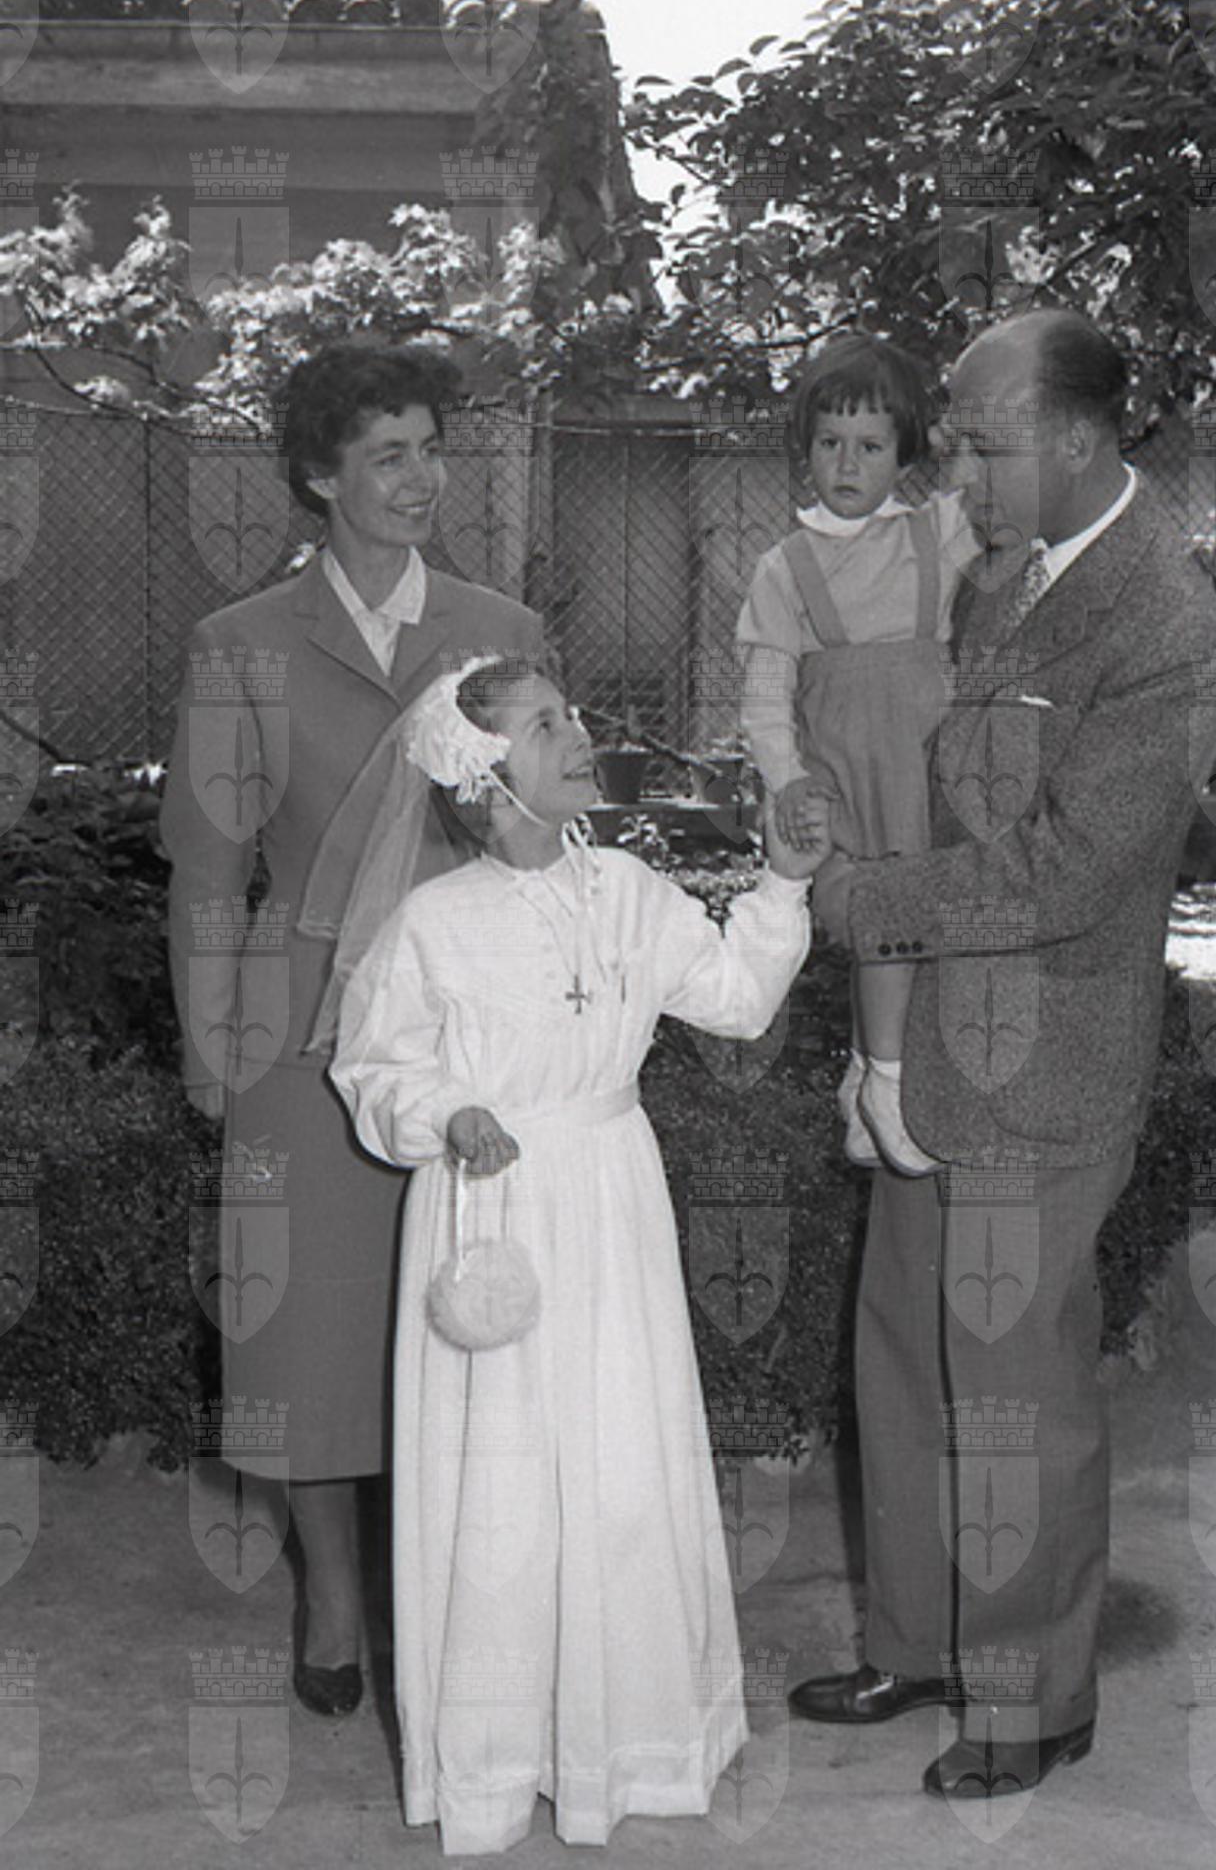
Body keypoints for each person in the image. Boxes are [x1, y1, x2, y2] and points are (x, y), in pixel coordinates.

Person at [789, 308, 1216, 1799]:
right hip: (937, 1040)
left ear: (1079, 439)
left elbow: (1070, 869)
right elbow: (952, 803)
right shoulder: (998, 578)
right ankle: (919, 1641)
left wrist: (865, 903)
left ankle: (1032, 1697)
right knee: (905, 1353)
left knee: (1014, 1390)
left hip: (1047, 1061)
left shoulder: (1167, 619)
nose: (953, 473)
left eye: (981, 445)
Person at [328, 655, 825, 1855]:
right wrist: (448, 1111)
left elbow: (736, 996)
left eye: (571, 713)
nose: (578, 732)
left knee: (618, 1452)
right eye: (545, 723)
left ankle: (631, 1739)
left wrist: (782, 881)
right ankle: (497, 1759)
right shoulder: (431, 924)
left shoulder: (631, 889)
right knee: (498, 1478)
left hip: (610, 1197)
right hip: (491, 1213)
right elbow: (374, 1067)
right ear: (485, 780)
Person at [160, 342, 543, 1717]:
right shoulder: (241, 644)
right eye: (389, 454)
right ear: (320, 477)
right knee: (309, 1336)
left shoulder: (501, 628)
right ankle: (331, 1593)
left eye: (433, 448)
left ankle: (462, 1599)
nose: (422, 477)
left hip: (473, 1027)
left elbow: (545, 833)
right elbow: (208, 867)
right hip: (302, 1036)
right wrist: (213, 1047)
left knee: (480, 1314)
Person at [738, 332, 978, 1175]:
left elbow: (983, 479)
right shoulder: (784, 568)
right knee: (884, 922)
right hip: (848, 778)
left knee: (921, 928)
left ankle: (862, 1074)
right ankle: (887, 1082)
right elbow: (766, 698)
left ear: (905, 454)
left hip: (926, 771)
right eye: (829, 443)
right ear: (804, 451)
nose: (847, 464)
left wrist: (944, 433)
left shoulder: (936, 534)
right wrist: (787, 783)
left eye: (872, 446)